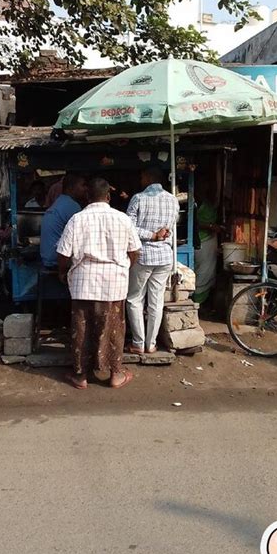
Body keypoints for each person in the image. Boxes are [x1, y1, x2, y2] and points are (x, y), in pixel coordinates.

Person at [57, 177, 141, 390]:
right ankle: (115, 375)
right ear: (109, 196)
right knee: (113, 329)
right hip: (114, 284)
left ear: (87, 196)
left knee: (82, 329)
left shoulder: (77, 219)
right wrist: (123, 267)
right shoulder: (122, 219)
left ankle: (81, 376)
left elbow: (63, 253)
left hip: (83, 282)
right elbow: (134, 252)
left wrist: (62, 272)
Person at [125, 165, 179, 354]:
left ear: (148, 178)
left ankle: (138, 344)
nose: (140, 181)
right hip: (164, 257)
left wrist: (151, 235)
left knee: (134, 299)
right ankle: (151, 344)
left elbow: (128, 228)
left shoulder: (138, 198)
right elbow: (171, 229)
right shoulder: (173, 201)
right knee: (156, 302)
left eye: (142, 177)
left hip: (143, 255)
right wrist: (158, 236)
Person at [40, 173, 87, 269]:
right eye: (82, 185)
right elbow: (82, 237)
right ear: (71, 188)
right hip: (57, 261)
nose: (85, 189)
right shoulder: (72, 206)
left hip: (47, 258)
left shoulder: (60, 202)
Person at [193, 177, 223, 305]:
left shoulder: (207, 201)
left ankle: (198, 303)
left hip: (206, 241)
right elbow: (194, 222)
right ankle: (196, 303)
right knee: (203, 273)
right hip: (202, 241)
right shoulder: (197, 201)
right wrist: (210, 226)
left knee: (203, 272)